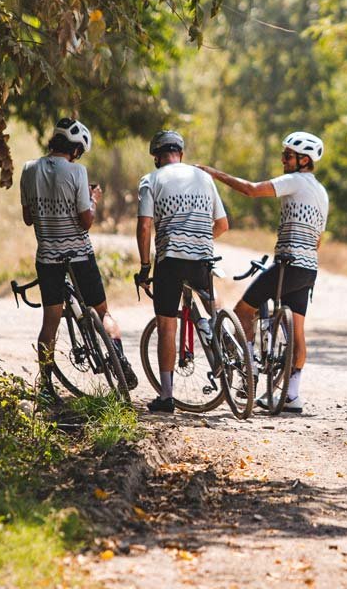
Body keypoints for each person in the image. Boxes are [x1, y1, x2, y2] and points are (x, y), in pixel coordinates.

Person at [198, 131, 328, 414]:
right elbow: (318, 239)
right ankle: (292, 395)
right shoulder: (321, 192)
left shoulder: (296, 180)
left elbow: (252, 190)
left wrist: (213, 173)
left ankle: (251, 371)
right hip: (308, 268)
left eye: (288, 156)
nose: (283, 160)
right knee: (299, 332)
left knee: (243, 310)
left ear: (304, 160)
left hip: (287, 264)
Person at [20, 117, 136, 400]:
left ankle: (46, 387)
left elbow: (27, 218)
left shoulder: (28, 170)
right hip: (80, 254)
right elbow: (86, 221)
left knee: (50, 322)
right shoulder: (78, 171)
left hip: (47, 256)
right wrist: (93, 198)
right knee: (102, 311)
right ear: (76, 149)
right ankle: (119, 360)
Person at [134, 129, 229, 414]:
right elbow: (223, 224)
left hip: (170, 260)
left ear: (156, 158)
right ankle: (228, 347)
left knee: (167, 324)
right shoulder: (204, 177)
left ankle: (166, 396)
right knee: (211, 310)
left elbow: (144, 226)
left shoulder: (151, 180)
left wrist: (144, 266)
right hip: (202, 259)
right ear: (181, 155)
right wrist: (200, 242)